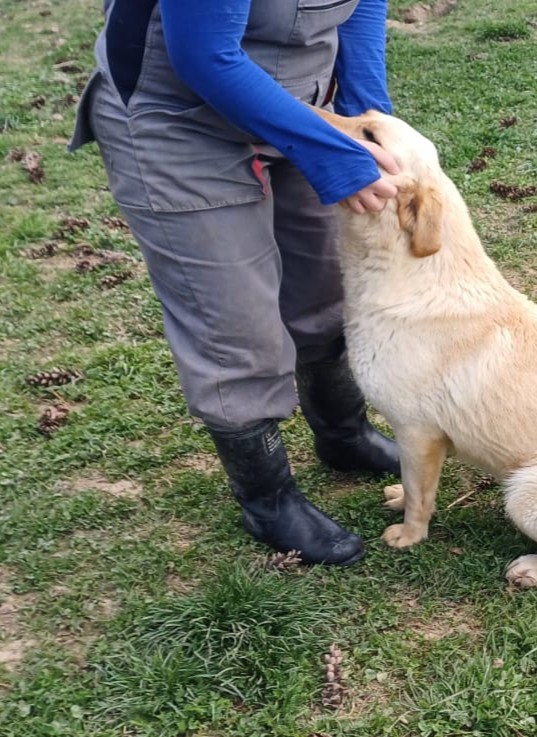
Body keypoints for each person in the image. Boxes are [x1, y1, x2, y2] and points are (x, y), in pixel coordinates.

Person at [69, 0, 402, 566]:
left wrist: (365, 114)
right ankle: (268, 500)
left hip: (303, 106)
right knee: (235, 324)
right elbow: (204, 54)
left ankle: (343, 435)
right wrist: (333, 156)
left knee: (326, 289)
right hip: (181, 121)